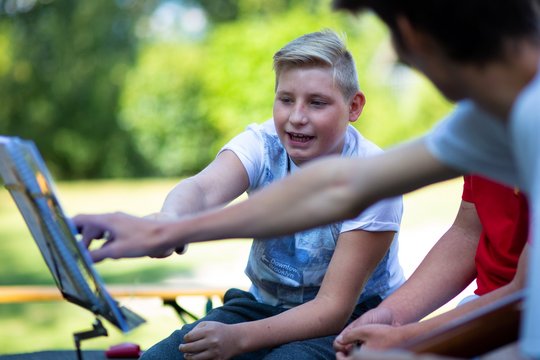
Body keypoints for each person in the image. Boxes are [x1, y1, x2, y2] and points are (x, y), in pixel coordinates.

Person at [74, 0, 540, 358]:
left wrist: (412, 341)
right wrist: (168, 227)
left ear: (413, 35)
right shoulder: (494, 119)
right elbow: (343, 187)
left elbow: (522, 294)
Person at [132, 29, 404, 360]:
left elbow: (332, 308)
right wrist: (170, 221)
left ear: (354, 106)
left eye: (316, 103)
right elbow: (202, 188)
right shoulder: (262, 143)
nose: (297, 117)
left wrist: (238, 338)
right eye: (286, 99)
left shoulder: (375, 178)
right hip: (262, 307)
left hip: (352, 319)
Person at [333, 175, 529, 356]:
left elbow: (526, 291)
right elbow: (469, 231)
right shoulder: (492, 139)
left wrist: (407, 339)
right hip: (483, 310)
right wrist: (393, 315)